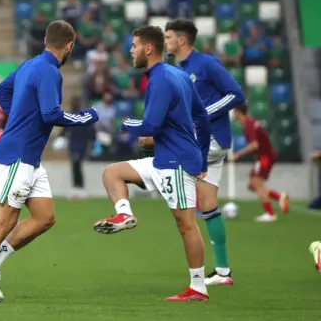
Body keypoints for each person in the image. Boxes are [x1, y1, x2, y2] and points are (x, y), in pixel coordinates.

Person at [0, 20, 99, 303]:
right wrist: (85, 116)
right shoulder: (49, 72)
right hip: (18, 155)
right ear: (69, 46)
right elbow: (51, 114)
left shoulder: (29, 65)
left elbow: (0, 92)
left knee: (45, 218)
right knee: (4, 220)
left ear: (46, 40)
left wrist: (20, 114)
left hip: (29, 157)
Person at [93, 26, 211, 302]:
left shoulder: (160, 79)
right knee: (113, 173)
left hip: (176, 163)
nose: (131, 50)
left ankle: (198, 288)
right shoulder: (179, 75)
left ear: (148, 48)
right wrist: (202, 155)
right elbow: (202, 119)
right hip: (163, 159)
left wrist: (124, 124)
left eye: (134, 45)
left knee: (186, 225)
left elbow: (151, 125)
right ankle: (124, 213)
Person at [163, 19, 245, 286]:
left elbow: (236, 94)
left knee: (160, 162)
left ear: (182, 40)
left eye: (168, 37)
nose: (165, 42)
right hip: (203, 141)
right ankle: (223, 272)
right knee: (208, 205)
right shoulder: (181, 68)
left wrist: (203, 115)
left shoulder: (206, 64)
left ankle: (125, 198)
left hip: (209, 140)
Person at [230, 103, 288, 222]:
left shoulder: (248, 124)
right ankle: (279, 197)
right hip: (263, 156)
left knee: (256, 184)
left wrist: (237, 154)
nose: (232, 114)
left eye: (234, 111)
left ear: (238, 112)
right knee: (252, 185)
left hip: (265, 157)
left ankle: (270, 214)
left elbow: (254, 145)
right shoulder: (250, 122)